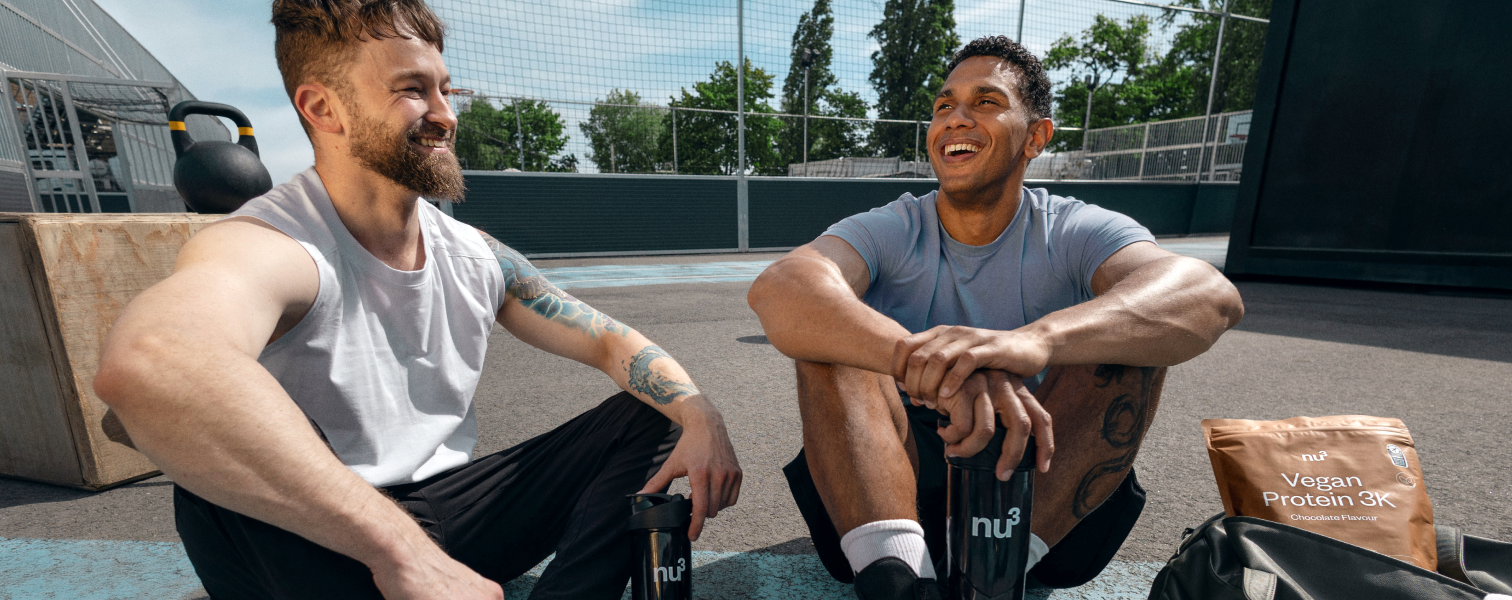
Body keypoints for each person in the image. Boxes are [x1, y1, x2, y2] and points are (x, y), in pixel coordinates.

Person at [93, 1, 742, 599]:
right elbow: (151, 358)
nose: (446, 114)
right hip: (313, 529)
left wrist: (699, 411)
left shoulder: (475, 254)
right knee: (216, 455)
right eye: (411, 90)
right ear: (323, 109)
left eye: (444, 89)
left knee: (655, 410)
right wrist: (399, 551)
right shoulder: (273, 245)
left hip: (444, 510)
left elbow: (607, 340)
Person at [748, 36, 1244, 600]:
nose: (955, 119)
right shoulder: (893, 225)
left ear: (1035, 137)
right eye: (943, 105)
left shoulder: (1073, 227)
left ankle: (993, 574)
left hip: (1040, 491)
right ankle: (896, 577)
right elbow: (781, 288)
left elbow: (1210, 296)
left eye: (985, 102)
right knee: (829, 334)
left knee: (1129, 344)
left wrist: (1034, 342)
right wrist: (946, 365)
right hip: (896, 485)